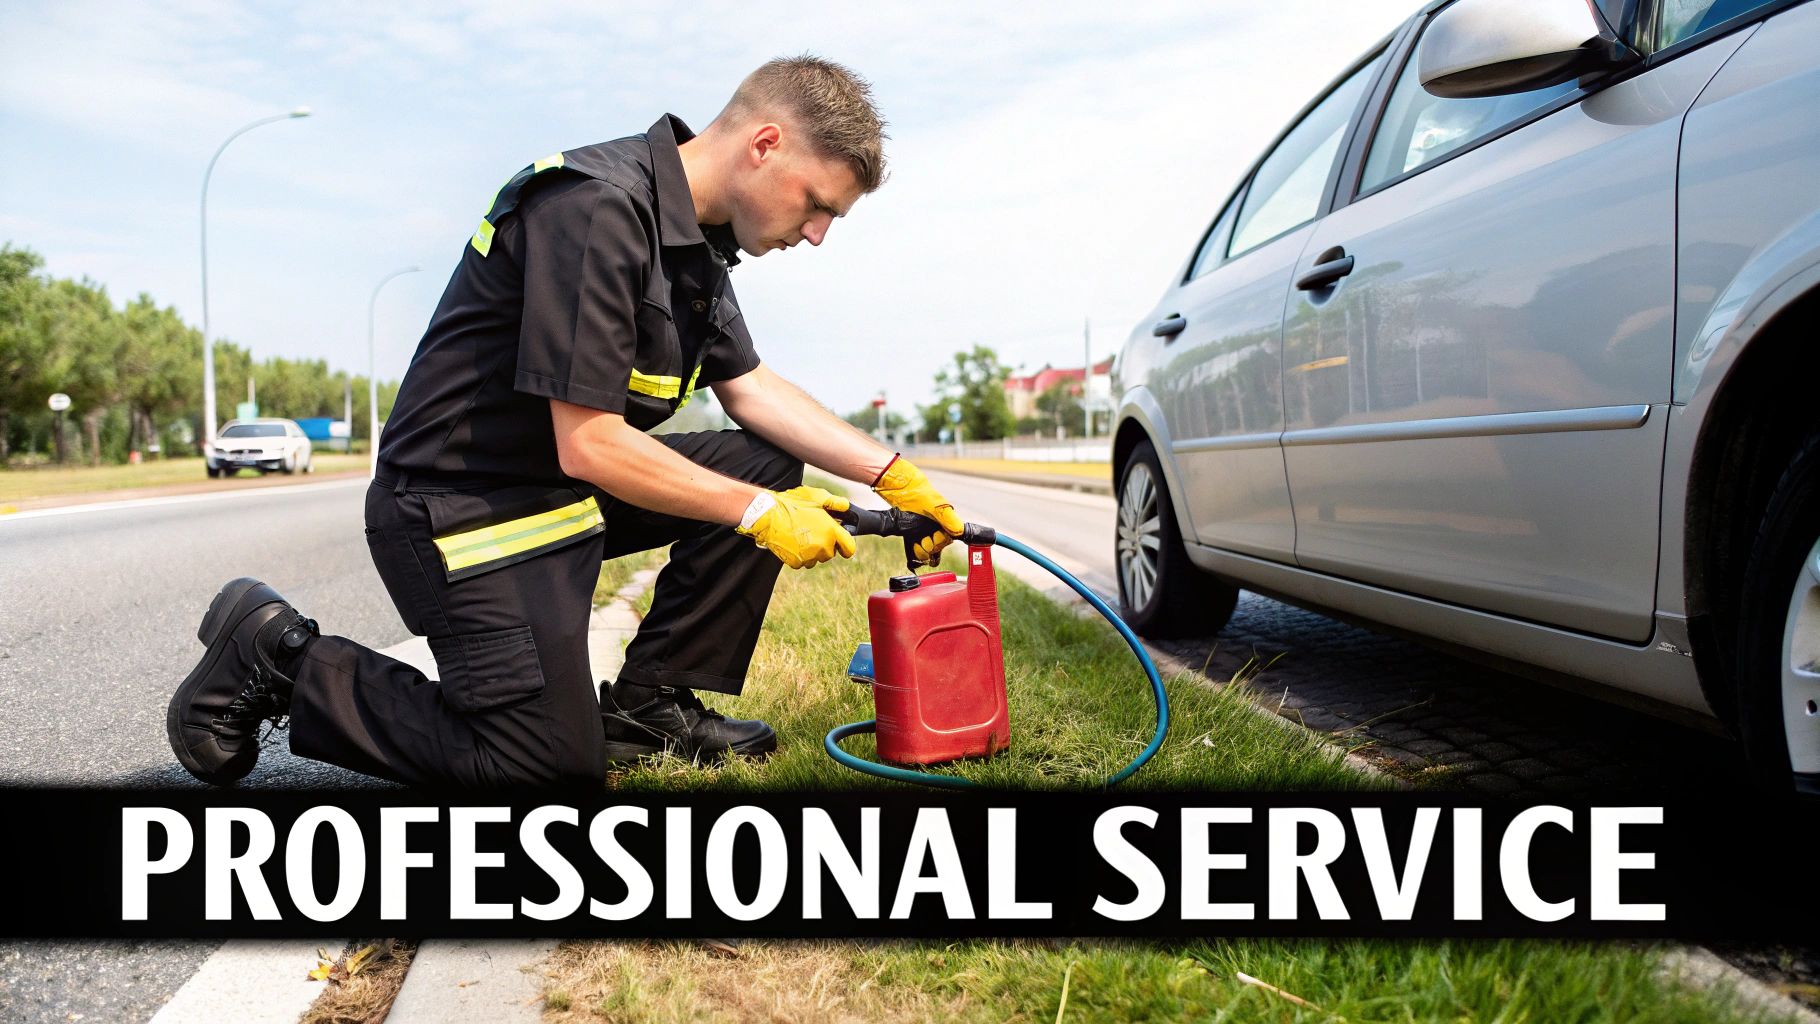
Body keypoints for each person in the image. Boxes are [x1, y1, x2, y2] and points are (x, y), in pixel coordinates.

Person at [165, 55, 965, 789]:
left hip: (551, 493)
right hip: (460, 512)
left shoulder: (693, 244)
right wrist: (759, 515)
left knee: (763, 460)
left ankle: (649, 704)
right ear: (765, 144)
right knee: (546, 770)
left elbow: (750, 389)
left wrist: (891, 476)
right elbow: (587, 442)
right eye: (817, 205)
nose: (817, 233)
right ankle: (282, 660)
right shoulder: (596, 208)